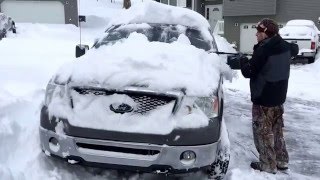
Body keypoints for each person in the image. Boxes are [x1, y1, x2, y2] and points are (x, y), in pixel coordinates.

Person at [239, 18, 296, 174]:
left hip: (263, 99)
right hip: (278, 98)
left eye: (259, 32)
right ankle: (281, 160)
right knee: (277, 131)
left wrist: (243, 59)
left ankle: (268, 164)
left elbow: (247, 71)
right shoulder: (285, 46)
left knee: (263, 133)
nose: (256, 35)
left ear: (266, 34)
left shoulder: (263, 51)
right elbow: (295, 49)